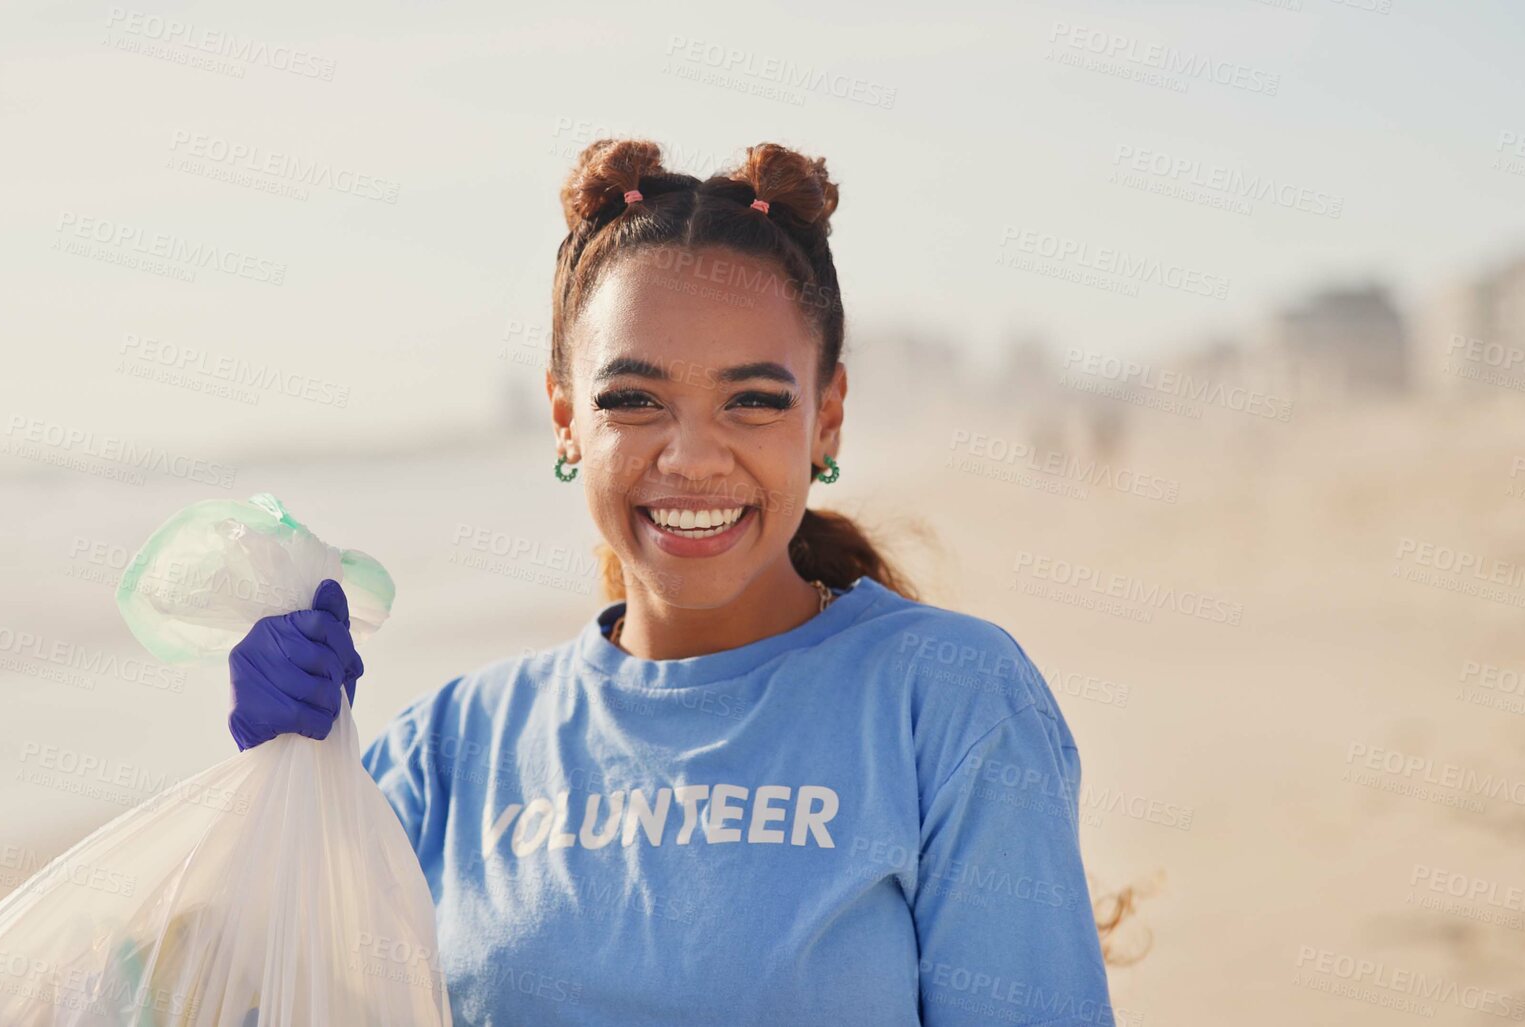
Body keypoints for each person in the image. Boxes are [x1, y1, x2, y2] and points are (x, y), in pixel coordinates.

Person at [225, 139, 1116, 1026]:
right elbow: (246, 986)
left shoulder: (951, 701)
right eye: (633, 400)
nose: (690, 458)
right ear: (567, 418)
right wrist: (280, 792)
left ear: (826, 419)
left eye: (755, 399)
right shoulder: (447, 751)